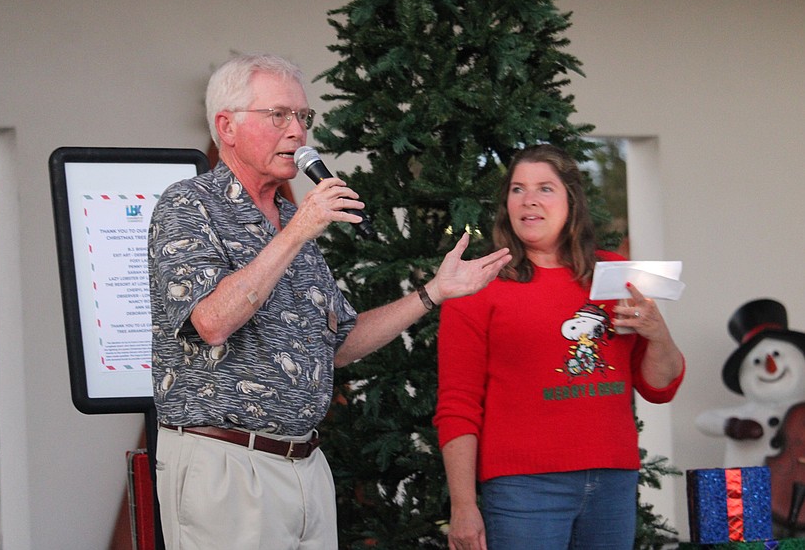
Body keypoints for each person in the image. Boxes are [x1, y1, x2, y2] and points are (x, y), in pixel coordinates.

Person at [147, 52, 512, 550]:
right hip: (226, 464)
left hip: (305, 464)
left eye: (302, 117)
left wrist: (432, 294)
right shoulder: (189, 204)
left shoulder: (291, 220)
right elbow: (210, 320)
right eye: (278, 115)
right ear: (226, 126)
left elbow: (338, 344)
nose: (297, 133)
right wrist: (298, 231)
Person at [433, 144, 685, 550]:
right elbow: (457, 405)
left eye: (544, 188)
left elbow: (660, 386)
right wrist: (463, 506)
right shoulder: (477, 284)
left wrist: (659, 334)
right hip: (522, 487)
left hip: (612, 479)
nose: (529, 200)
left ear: (572, 200)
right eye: (517, 189)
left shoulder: (615, 274)